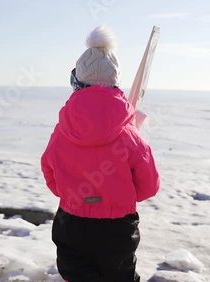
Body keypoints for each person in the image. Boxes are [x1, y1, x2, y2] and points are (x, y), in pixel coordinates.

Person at [40, 25, 160, 282]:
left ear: (77, 81)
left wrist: (72, 195)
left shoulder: (62, 131)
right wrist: (119, 196)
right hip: (116, 228)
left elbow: (49, 169)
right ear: (116, 82)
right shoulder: (129, 136)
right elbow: (149, 185)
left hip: (71, 223)